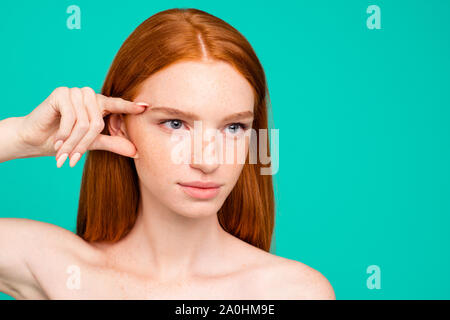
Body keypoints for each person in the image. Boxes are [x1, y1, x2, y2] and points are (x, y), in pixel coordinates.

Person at [0, 8, 335, 300]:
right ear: (119, 126)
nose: (208, 161)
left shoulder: (292, 292)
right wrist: (20, 137)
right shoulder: (58, 268)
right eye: (175, 123)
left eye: (234, 128)